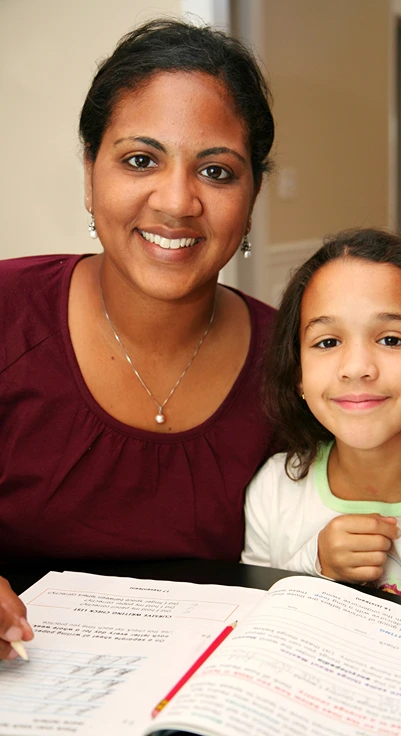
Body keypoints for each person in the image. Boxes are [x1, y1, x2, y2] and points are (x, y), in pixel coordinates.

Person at [0, 18, 276, 659]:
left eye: (216, 171)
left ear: (253, 194)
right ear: (91, 172)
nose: (177, 201)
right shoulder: (8, 314)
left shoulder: (296, 364)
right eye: (140, 160)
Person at [241, 228, 401, 616]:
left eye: (391, 340)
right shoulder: (276, 491)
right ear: (298, 376)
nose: (357, 368)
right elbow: (253, 619)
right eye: (328, 342)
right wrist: (315, 564)